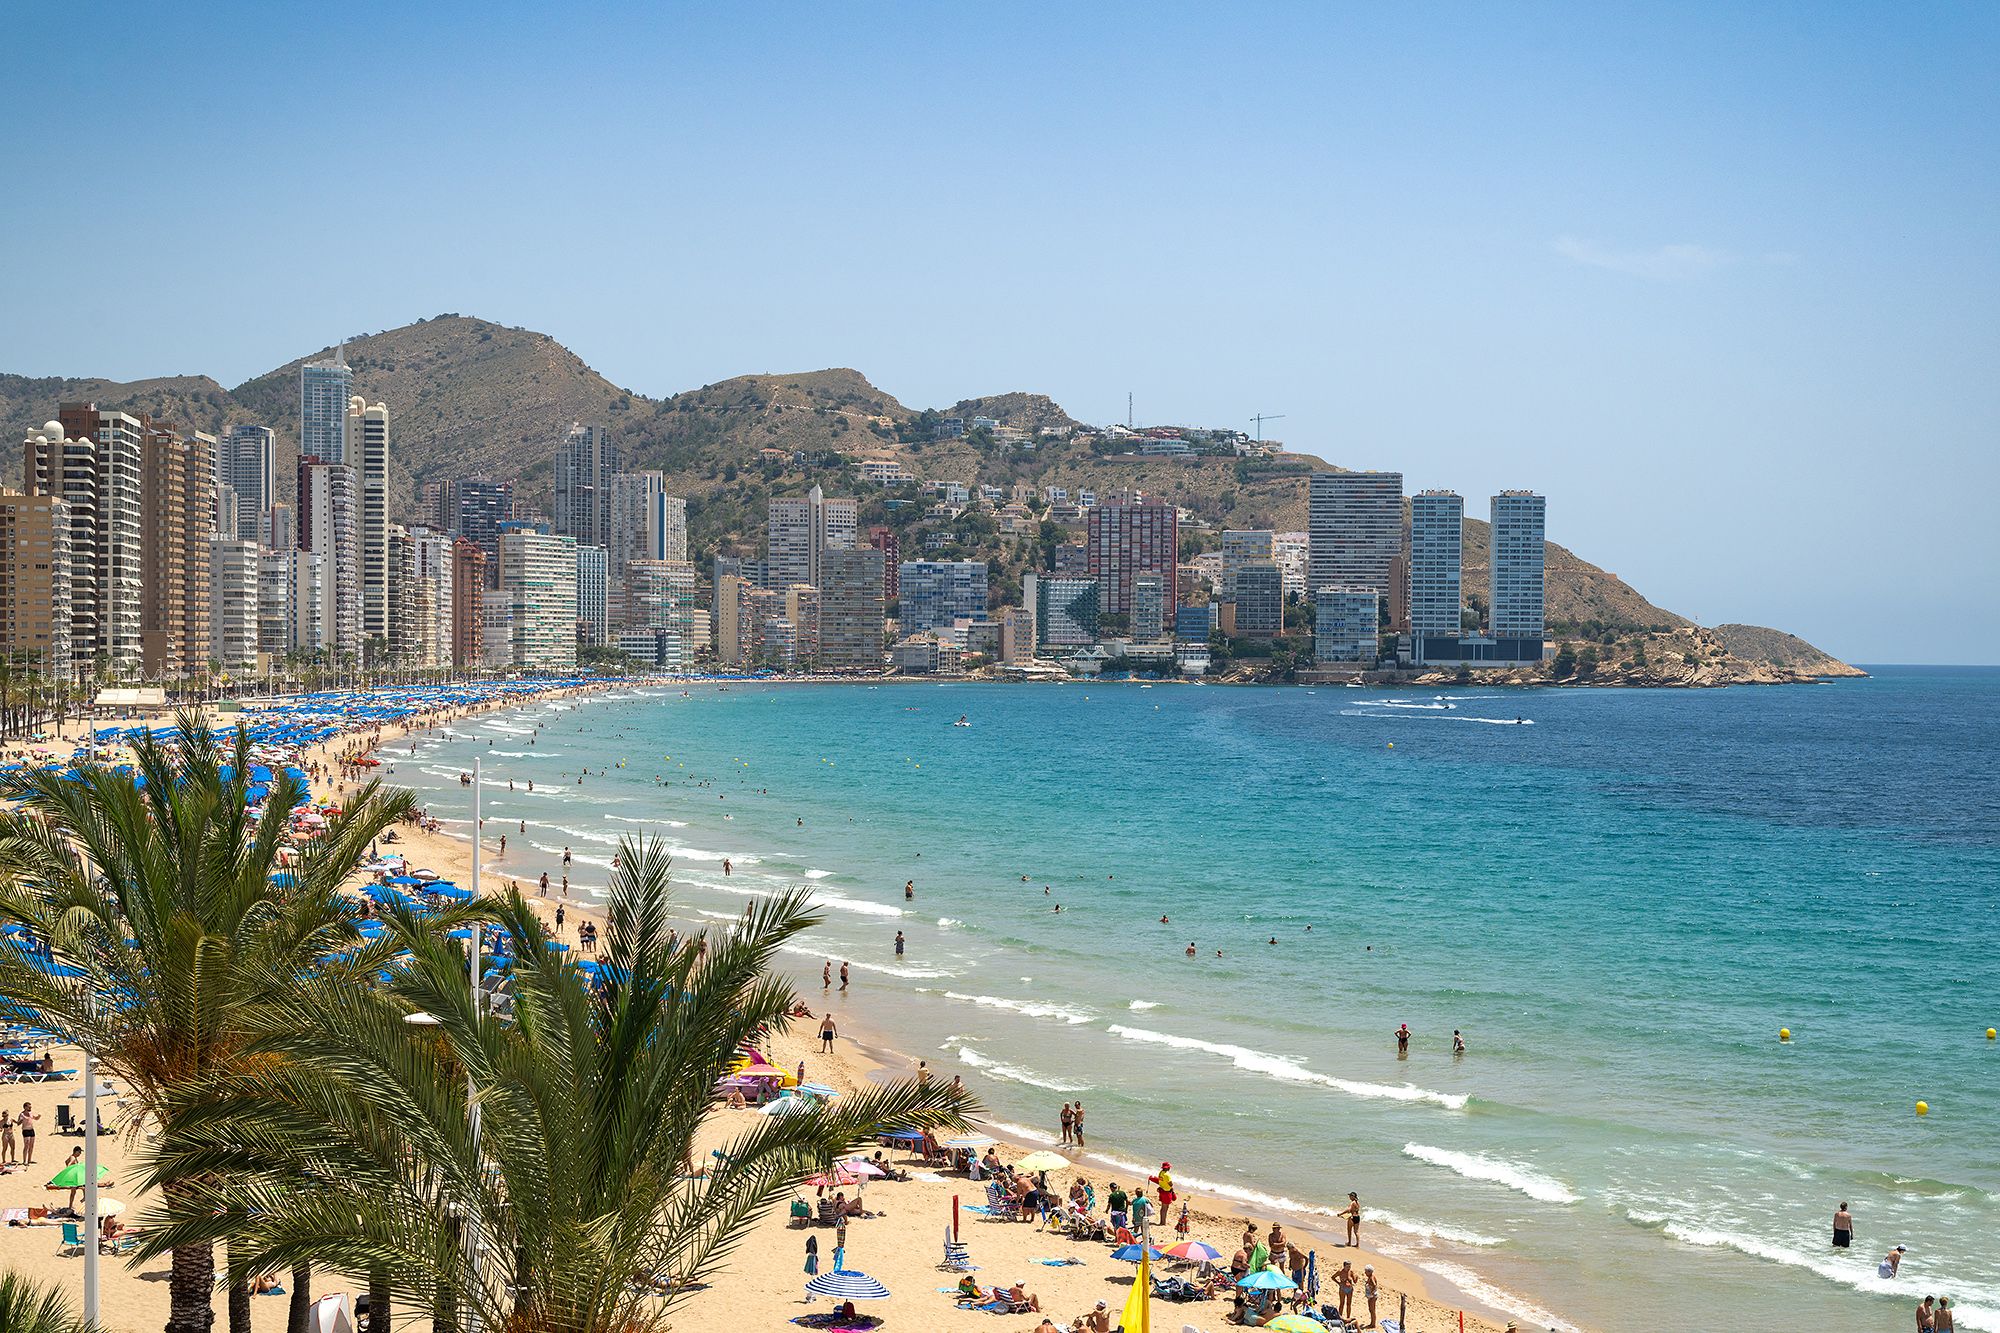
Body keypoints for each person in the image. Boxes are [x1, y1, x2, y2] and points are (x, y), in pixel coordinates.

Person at [18, 1101, 36, 1165]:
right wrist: (22, 1120)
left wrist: (38, 1116)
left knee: (31, 1146)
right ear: (25, 1107)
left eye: (30, 1107)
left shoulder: (31, 1113)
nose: (30, 1108)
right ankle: (24, 1161)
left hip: (32, 1130)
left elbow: (35, 1118)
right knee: (26, 1145)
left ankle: (29, 1160)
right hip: (26, 1130)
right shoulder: (22, 1114)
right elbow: (18, 1123)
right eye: (29, 1107)